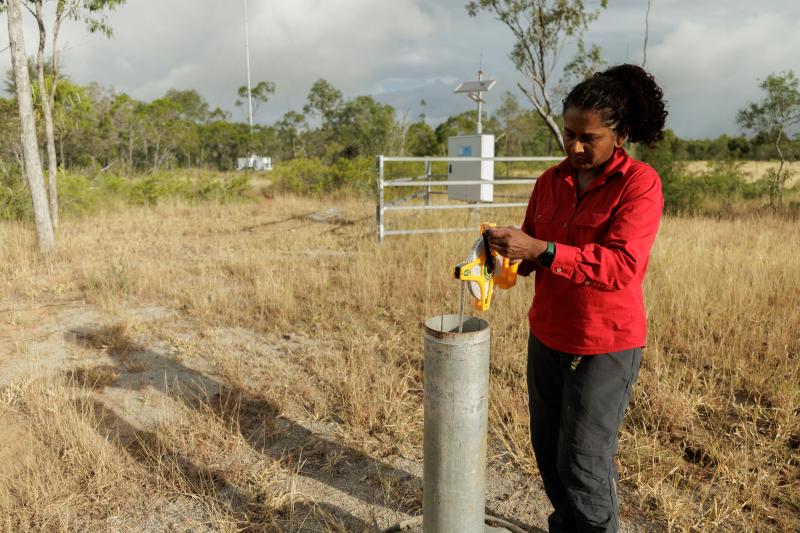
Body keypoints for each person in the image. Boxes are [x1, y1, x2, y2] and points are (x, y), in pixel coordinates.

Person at [487, 64, 667, 533]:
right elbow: (533, 249)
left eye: (589, 137)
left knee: (585, 464)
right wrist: (507, 254)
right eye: (568, 134)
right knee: (548, 452)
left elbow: (621, 266)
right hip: (547, 333)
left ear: (621, 135)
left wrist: (543, 250)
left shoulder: (639, 184)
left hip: (604, 344)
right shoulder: (550, 181)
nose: (575, 147)